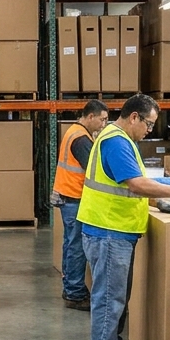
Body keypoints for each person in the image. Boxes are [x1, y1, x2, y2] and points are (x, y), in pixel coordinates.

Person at [79, 94, 170, 340]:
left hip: (115, 230)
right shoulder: (117, 141)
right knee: (110, 298)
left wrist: (159, 203)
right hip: (108, 231)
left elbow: (129, 188)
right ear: (134, 117)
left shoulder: (118, 139)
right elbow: (136, 184)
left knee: (117, 297)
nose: (149, 130)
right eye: (148, 123)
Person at [52, 99, 110, 311]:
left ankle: (71, 288)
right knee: (76, 247)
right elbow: (95, 170)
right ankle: (75, 293)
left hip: (68, 196)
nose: (104, 124)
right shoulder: (81, 139)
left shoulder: (75, 132)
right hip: (74, 198)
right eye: (102, 120)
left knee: (71, 244)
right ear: (91, 116)